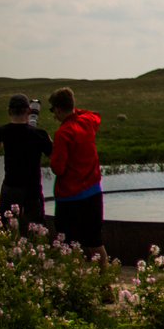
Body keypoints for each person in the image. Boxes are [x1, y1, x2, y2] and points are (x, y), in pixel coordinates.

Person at [47, 87, 105, 255]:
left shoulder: (62, 133)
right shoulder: (87, 121)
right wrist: (73, 112)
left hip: (69, 197)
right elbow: (94, 113)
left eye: (53, 110)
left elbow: (58, 169)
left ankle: (75, 278)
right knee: (95, 241)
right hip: (93, 192)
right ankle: (104, 277)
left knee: (69, 244)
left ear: (57, 110)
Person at [0, 95, 50, 232]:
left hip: (10, 186)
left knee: (6, 226)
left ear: (9, 111)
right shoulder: (39, 134)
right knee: (34, 229)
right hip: (33, 188)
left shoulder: (2, 131)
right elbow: (53, 156)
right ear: (29, 111)